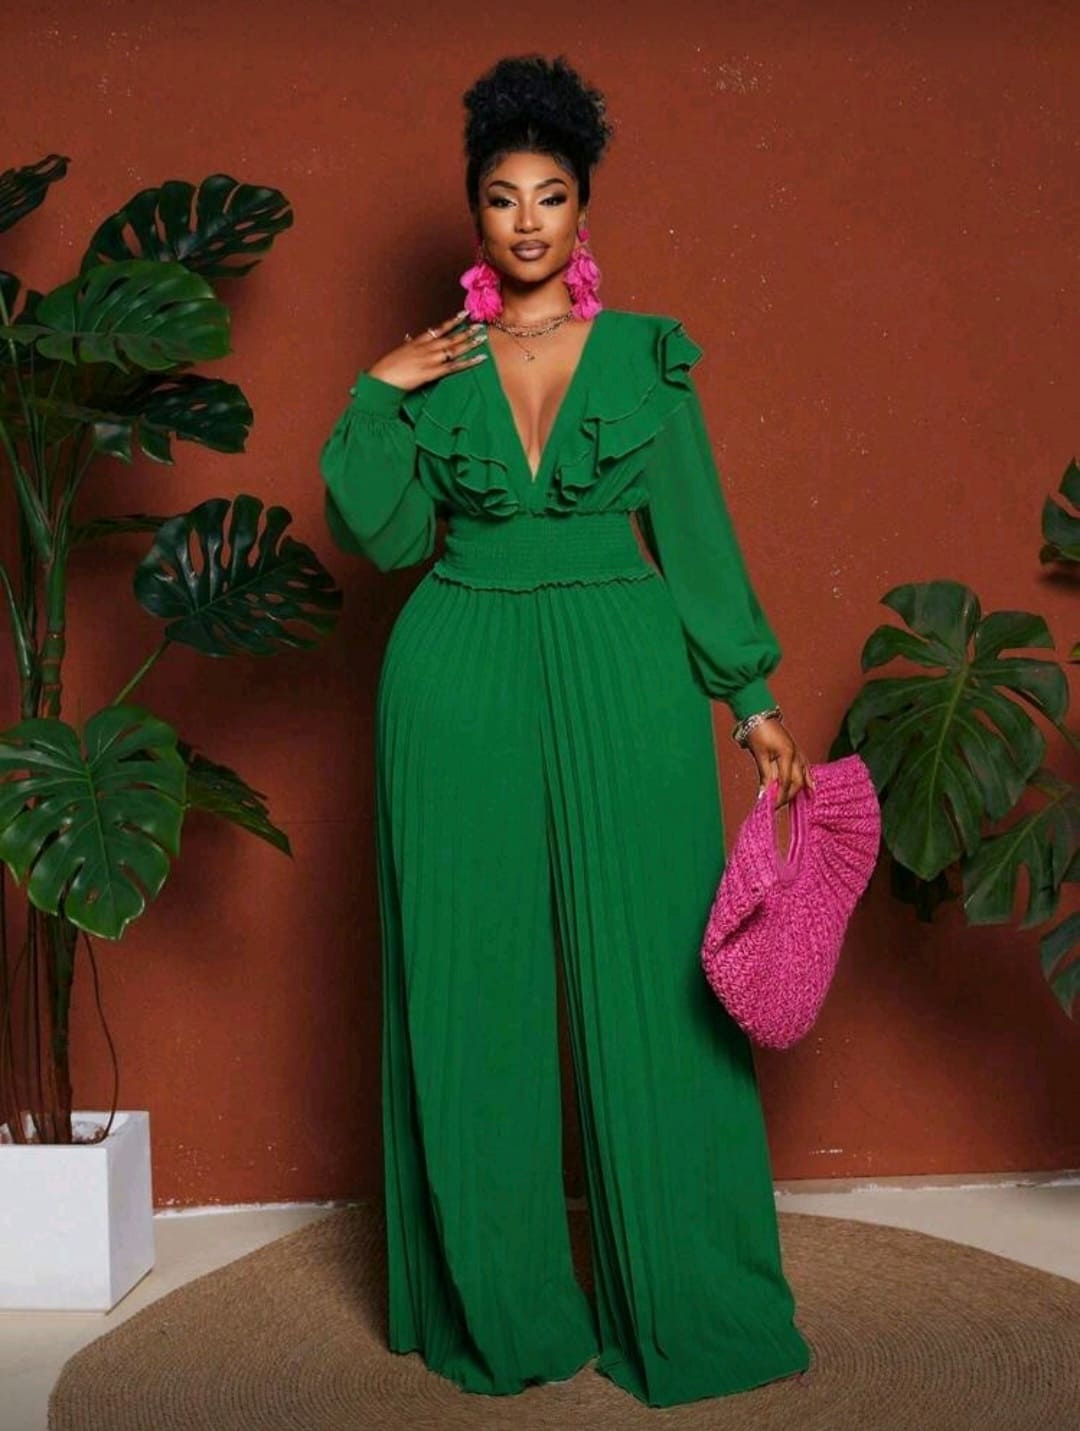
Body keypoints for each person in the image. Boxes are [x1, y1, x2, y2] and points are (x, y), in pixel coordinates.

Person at [319, 51, 815, 1409]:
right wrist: (377, 390)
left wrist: (752, 701)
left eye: (550, 194)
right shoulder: (437, 366)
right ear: (474, 216)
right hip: (457, 671)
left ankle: (685, 1301)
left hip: (623, 667)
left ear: (584, 207)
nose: (526, 220)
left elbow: (695, 533)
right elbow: (387, 535)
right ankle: (506, 1309)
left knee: (659, 989)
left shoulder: (649, 354)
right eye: (501, 197)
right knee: (469, 984)